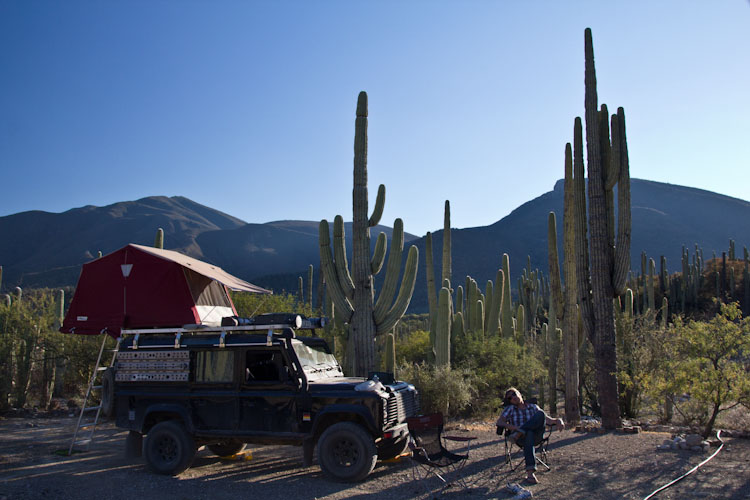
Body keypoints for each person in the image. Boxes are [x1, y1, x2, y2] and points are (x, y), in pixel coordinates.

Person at [496, 387, 564, 484]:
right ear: (509, 401)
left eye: (514, 394)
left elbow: (549, 420)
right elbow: (499, 422)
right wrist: (515, 428)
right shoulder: (510, 409)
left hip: (536, 436)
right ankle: (530, 473)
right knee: (529, 433)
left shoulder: (533, 407)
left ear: (519, 393)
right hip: (521, 439)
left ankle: (522, 431)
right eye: (510, 398)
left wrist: (559, 421)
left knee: (540, 414)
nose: (513, 398)